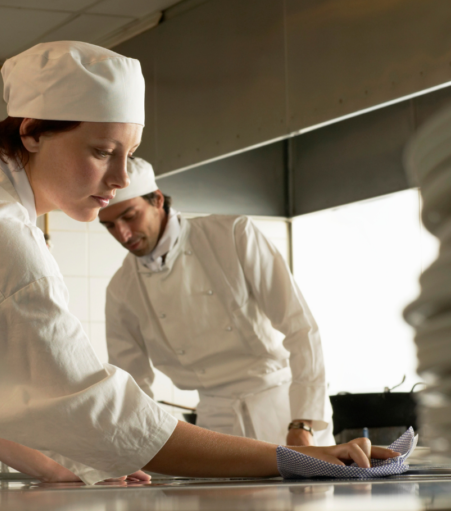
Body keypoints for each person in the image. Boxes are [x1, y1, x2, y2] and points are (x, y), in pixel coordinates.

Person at [0, 41, 397, 484]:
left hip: (274, 407)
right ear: (33, 132)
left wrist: (64, 470)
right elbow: (103, 409)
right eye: (103, 152)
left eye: (130, 154)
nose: (120, 177)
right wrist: (294, 459)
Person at [100, 158, 334, 447]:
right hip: (214, 424)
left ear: (157, 200)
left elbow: (300, 327)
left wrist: (303, 423)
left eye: (129, 216)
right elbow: (131, 382)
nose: (122, 234)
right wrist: (140, 446)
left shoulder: (233, 235)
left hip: (285, 410)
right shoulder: (121, 288)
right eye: (109, 225)